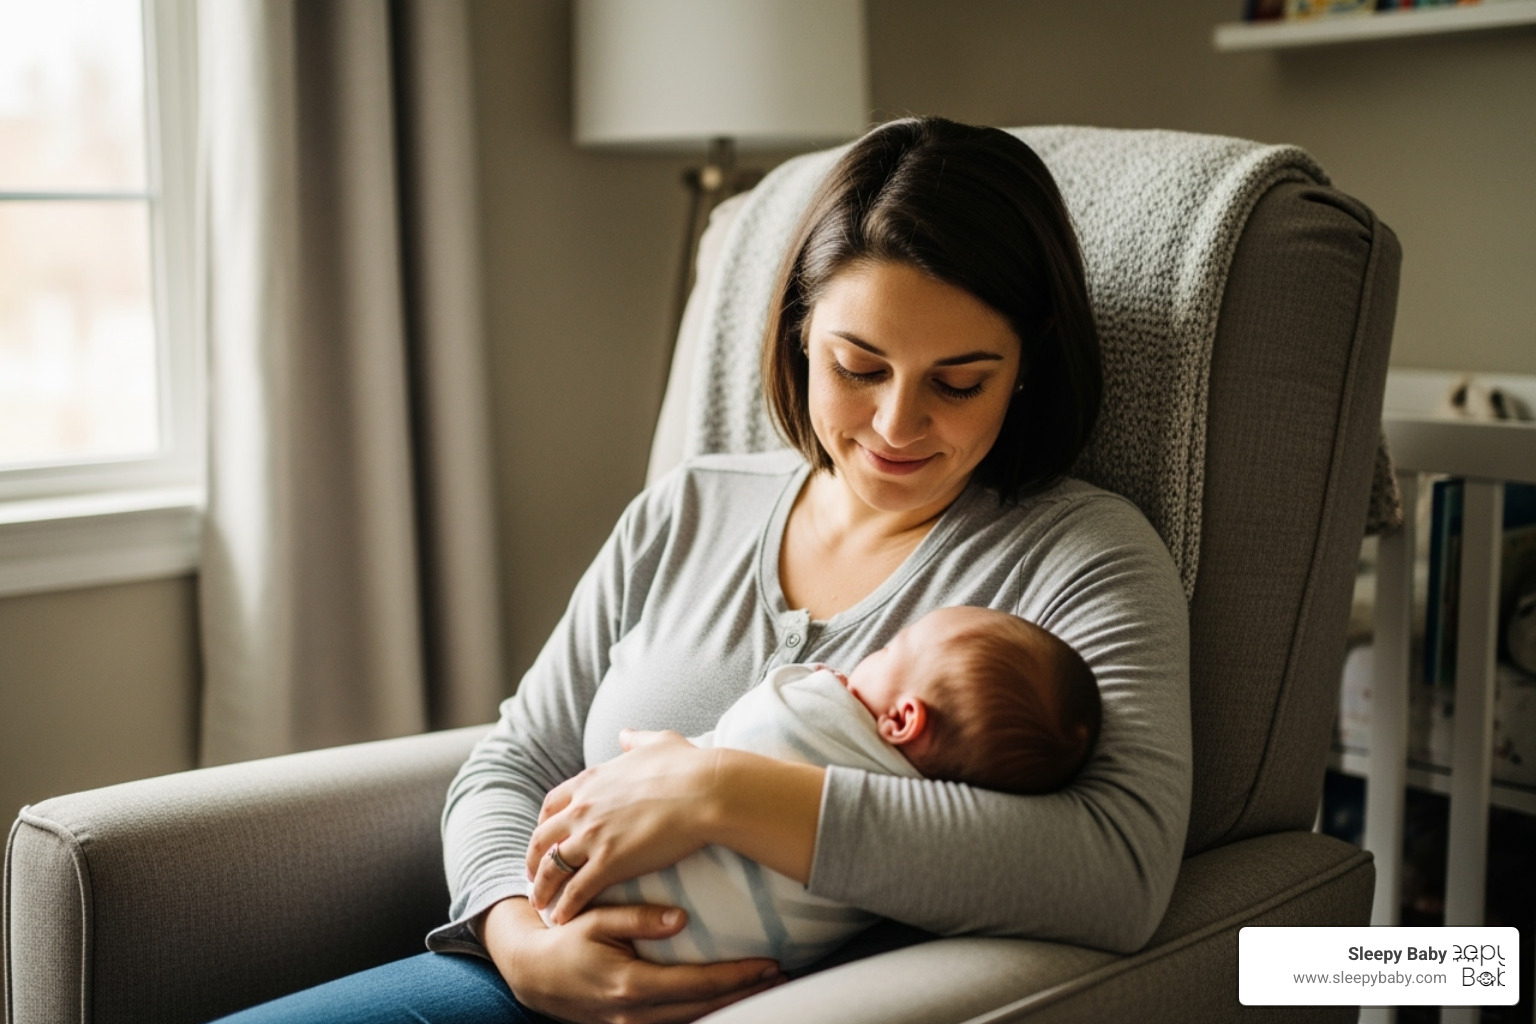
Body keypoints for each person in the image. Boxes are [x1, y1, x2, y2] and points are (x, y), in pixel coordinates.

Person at [211, 115, 1191, 1024]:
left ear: (1028, 366)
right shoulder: (692, 507)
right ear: (803, 330)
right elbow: (514, 762)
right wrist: (519, 942)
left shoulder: (1082, 558)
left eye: (959, 381)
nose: (898, 424)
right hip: (522, 982)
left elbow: (1118, 869)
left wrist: (723, 792)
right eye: (859, 366)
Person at [565, 605, 1102, 972]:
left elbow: (774, 708)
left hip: (595, 907)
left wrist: (710, 783)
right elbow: (514, 759)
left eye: (890, 649)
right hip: (662, 955)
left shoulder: (817, 713)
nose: (865, 658)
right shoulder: (891, 865)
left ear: (903, 720)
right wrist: (517, 942)